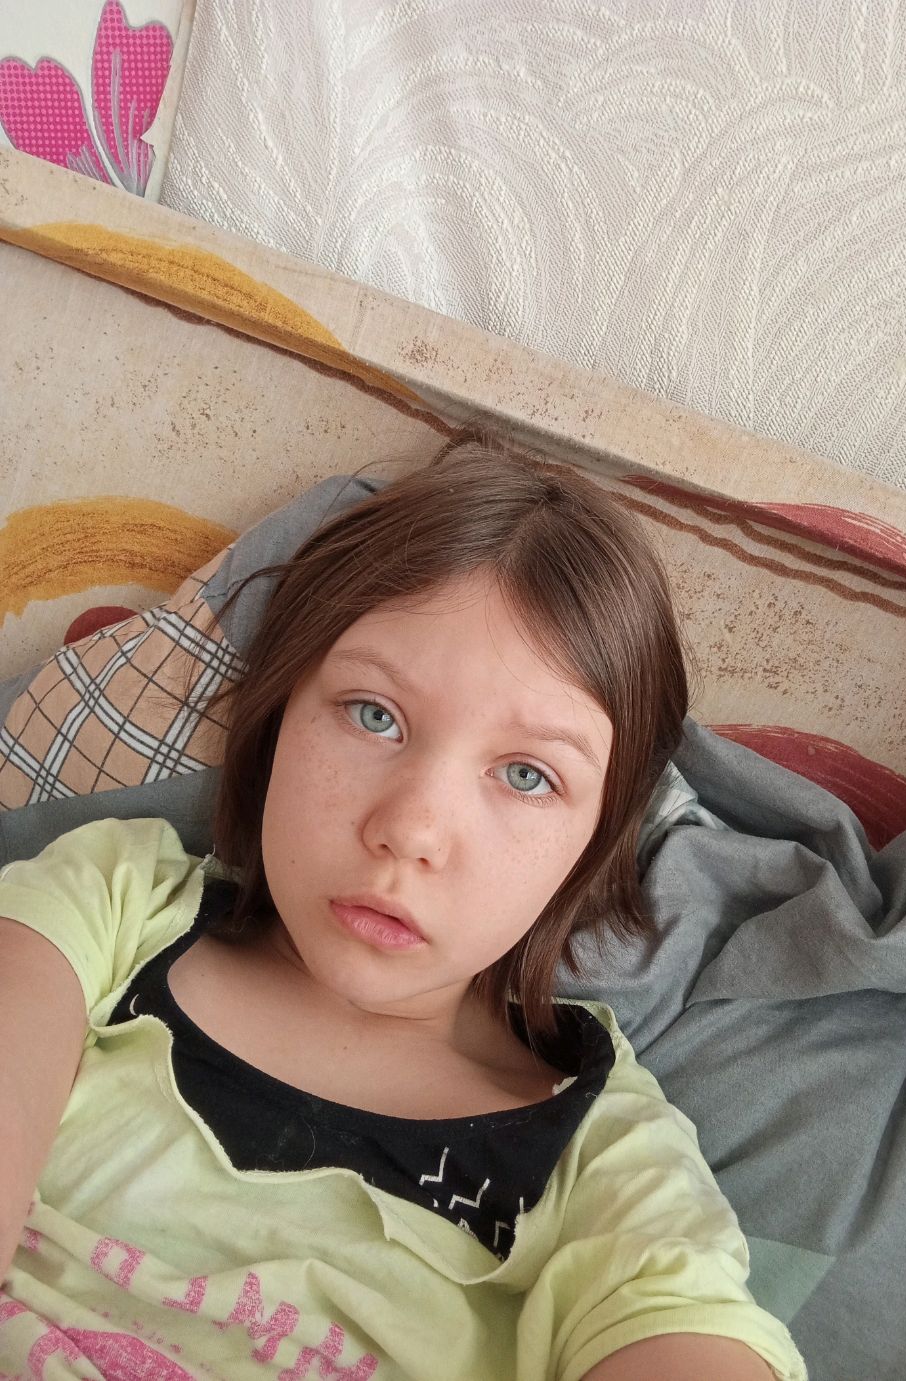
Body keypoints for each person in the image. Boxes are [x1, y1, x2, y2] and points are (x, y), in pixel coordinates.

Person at [0, 441, 807, 1380]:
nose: (412, 830)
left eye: (527, 775)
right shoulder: (111, 902)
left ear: (589, 849)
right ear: (278, 712)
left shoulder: (604, 1162)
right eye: (373, 714)